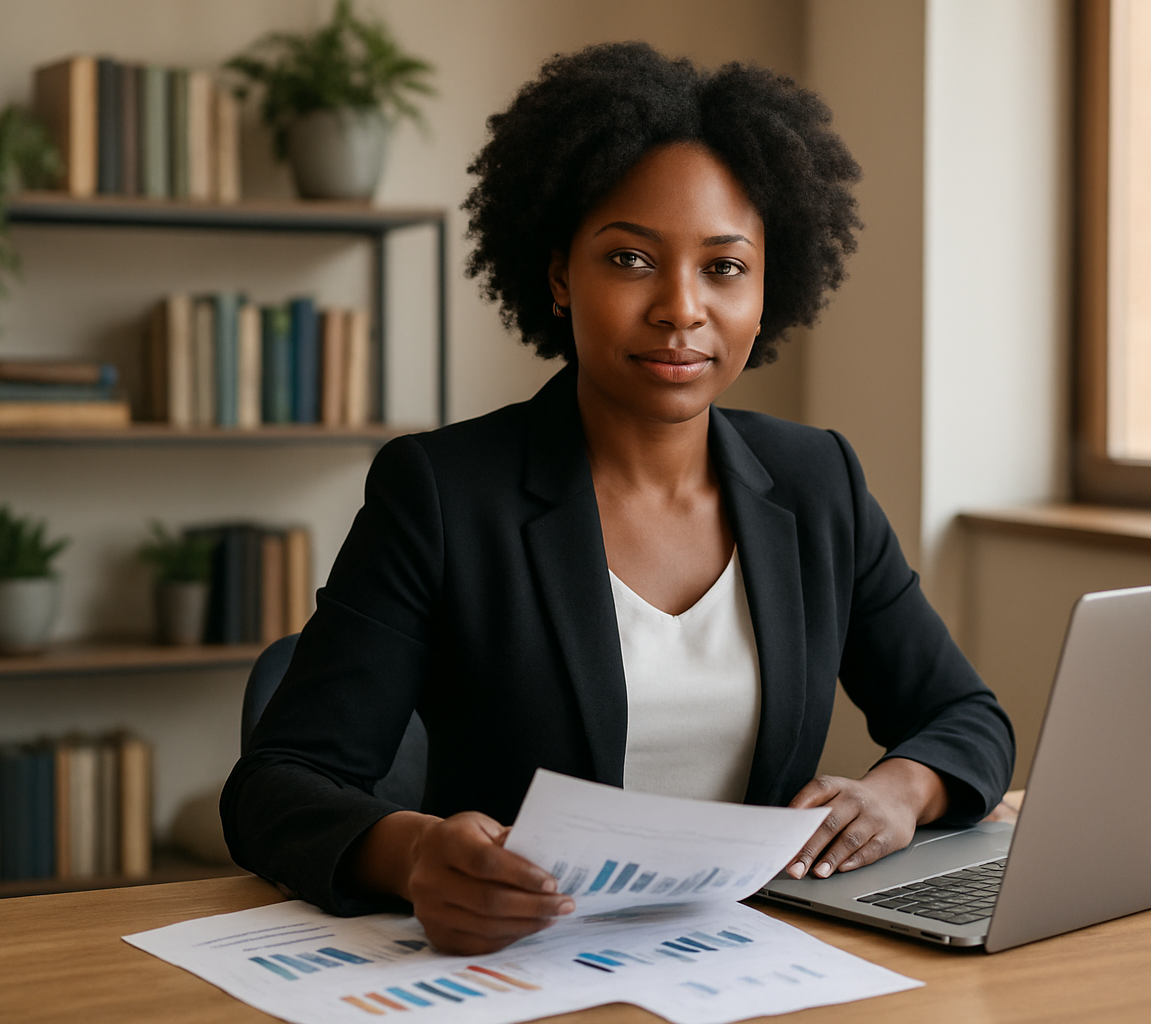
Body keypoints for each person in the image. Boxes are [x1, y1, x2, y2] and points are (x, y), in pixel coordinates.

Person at [222, 41, 1014, 956]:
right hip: (521, 966)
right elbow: (277, 784)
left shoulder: (816, 480)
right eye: (632, 259)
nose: (682, 308)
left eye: (724, 268)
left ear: (768, 289)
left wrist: (897, 793)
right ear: (559, 275)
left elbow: (965, 717)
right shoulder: (442, 493)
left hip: (750, 965)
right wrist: (410, 854)